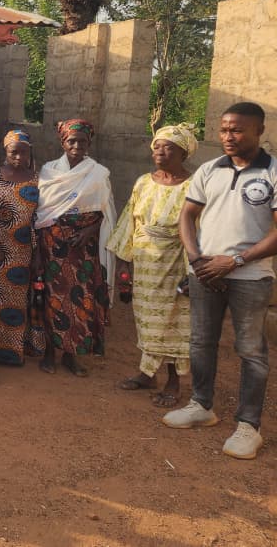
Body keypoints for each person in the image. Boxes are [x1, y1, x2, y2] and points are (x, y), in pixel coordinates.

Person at [164, 103, 277, 460]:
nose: (229, 136)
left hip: (251, 276)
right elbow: (187, 216)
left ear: (259, 131)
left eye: (237, 130)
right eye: (224, 129)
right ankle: (201, 405)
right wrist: (197, 260)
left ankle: (248, 426)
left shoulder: (272, 172)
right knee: (201, 341)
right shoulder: (210, 169)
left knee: (251, 351)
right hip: (206, 273)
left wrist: (236, 260)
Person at [107, 124, 197, 407]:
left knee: (173, 323)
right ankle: (147, 374)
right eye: (156, 146)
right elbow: (129, 222)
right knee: (146, 321)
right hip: (145, 266)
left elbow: (198, 230)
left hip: (175, 265)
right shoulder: (143, 182)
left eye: (168, 147)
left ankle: (173, 382)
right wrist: (124, 266)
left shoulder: (193, 186)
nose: (159, 151)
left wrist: (193, 272)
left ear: (183, 153)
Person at [34, 119, 116, 378]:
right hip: (51, 245)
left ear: (89, 143)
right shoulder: (49, 171)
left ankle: (71, 354)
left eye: (82, 141)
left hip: (83, 248)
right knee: (51, 298)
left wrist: (89, 231)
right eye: (72, 141)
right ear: (63, 142)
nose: (77, 145)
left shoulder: (98, 173)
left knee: (80, 298)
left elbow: (105, 213)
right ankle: (49, 352)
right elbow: (41, 210)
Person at [0, 130, 42, 366]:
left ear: (29, 153)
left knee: (15, 301)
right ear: (5, 151)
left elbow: (40, 218)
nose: (18, 157)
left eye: (23, 152)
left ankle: (12, 351)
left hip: (21, 250)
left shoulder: (38, 180)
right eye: (13, 152)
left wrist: (38, 253)